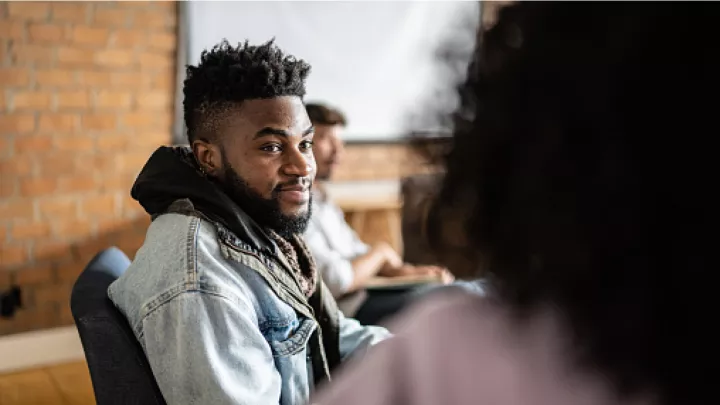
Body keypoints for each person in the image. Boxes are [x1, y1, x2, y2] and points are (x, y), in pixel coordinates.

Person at [313, 2, 716, 405]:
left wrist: (400, 266)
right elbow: (342, 277)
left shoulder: (445, 354)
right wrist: (385, 255)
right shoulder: (441, 351)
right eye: (325, 142)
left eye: (339, 144)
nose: (333, 154)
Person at [107, 40, 390, 405]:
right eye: (272, 147)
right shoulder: (201, 281)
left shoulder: (254, 229)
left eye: (305, 144)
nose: (303, 167)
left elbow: (326, 334)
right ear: (208, 158)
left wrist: (418, 359)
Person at [302, 103, 450, 324]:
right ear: (302, 142)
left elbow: (357, 253)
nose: (338, 151)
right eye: (326, 139)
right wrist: (380, 253)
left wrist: (408, 272)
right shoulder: (296, 209)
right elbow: (337, 281)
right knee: (445, 302)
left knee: (457, 289)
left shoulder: (324, 201)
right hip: (350, 308)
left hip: (369, 293)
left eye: (340, 142)